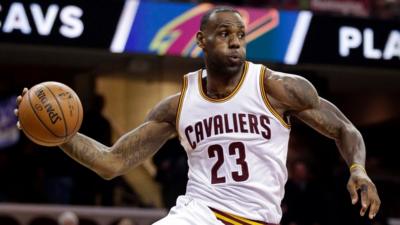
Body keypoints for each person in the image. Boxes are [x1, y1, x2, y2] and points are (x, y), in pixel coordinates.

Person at [15, 6, 380, 225]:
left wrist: (358, 169)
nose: (236, 41)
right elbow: (112, 162)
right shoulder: (178, 106)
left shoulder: (277, 88)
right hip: (199, 213)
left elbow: (344, 128)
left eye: (241, 34)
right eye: (224, 34)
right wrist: (61, 136)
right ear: (202, 41)